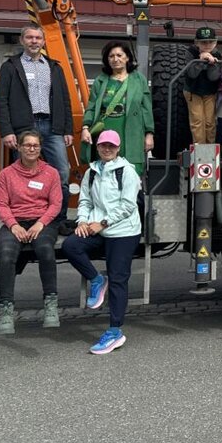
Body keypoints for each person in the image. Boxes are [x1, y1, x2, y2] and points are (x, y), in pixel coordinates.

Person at [61, 130, 142, 355]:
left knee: (118, 278)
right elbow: (85, 200)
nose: (107, 149)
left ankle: (115, 331)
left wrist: (102, 223)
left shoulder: (127, 172)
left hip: (123, 231)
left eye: (111, 146)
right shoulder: (92, 172)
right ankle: (97, 280)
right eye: (103, 145)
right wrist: (82, 221)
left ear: (118, 148)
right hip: (99, 228)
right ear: (97, 147)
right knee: (71, 246)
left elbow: (128, 206)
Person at [0, 23, 74, 223]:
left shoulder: (55, 67)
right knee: (22, 177)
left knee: (62, 174)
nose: (34, 41)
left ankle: (59, 220)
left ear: (43, 41)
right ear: (22, 40)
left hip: (52, 126)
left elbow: (65, 100)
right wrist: (6, 131)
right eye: (30, 38)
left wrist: (67, 129)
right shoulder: (10, 67)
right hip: (24, 129)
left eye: (38, 38)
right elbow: (2, 101)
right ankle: (24, 219)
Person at [0, 129, 63, 336]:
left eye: (35, 145)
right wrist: (13, 225)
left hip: (42, 222)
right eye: (27, 145)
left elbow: (56, 203)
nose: (31, 148)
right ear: (20, 147)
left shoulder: (51, 173)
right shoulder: (6, 174)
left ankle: (51, 305)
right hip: (15, 221)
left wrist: (41, 223)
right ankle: (6, 310)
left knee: (45, 250)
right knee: (6, 254)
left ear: (40, 148)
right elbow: (1, 204)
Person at [80, 40, 155, 177]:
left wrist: (149, 134)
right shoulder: (100, 80)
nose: (116, 59)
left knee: (131, 172)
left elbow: (146, 107)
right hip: (106, 129)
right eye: (111, 56)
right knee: (105, 170)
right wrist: (85, 128)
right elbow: (91, 107)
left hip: (132, 131)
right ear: (107, 60)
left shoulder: (139, 79)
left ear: (127, 58)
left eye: (120, 55)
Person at [183, 26, 222, 144]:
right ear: (196, 43)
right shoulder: (190, 52)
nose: (207, 45)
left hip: (210, 92)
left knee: (210, 122)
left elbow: (213, 77)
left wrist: (212, 63)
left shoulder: (218, 55)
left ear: (215, 42)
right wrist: (200, 61)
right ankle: (199, 149)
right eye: (203, 42)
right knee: (197, 121)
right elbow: (191, 74)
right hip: (193, 90)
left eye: (211, 42)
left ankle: (210, 150)